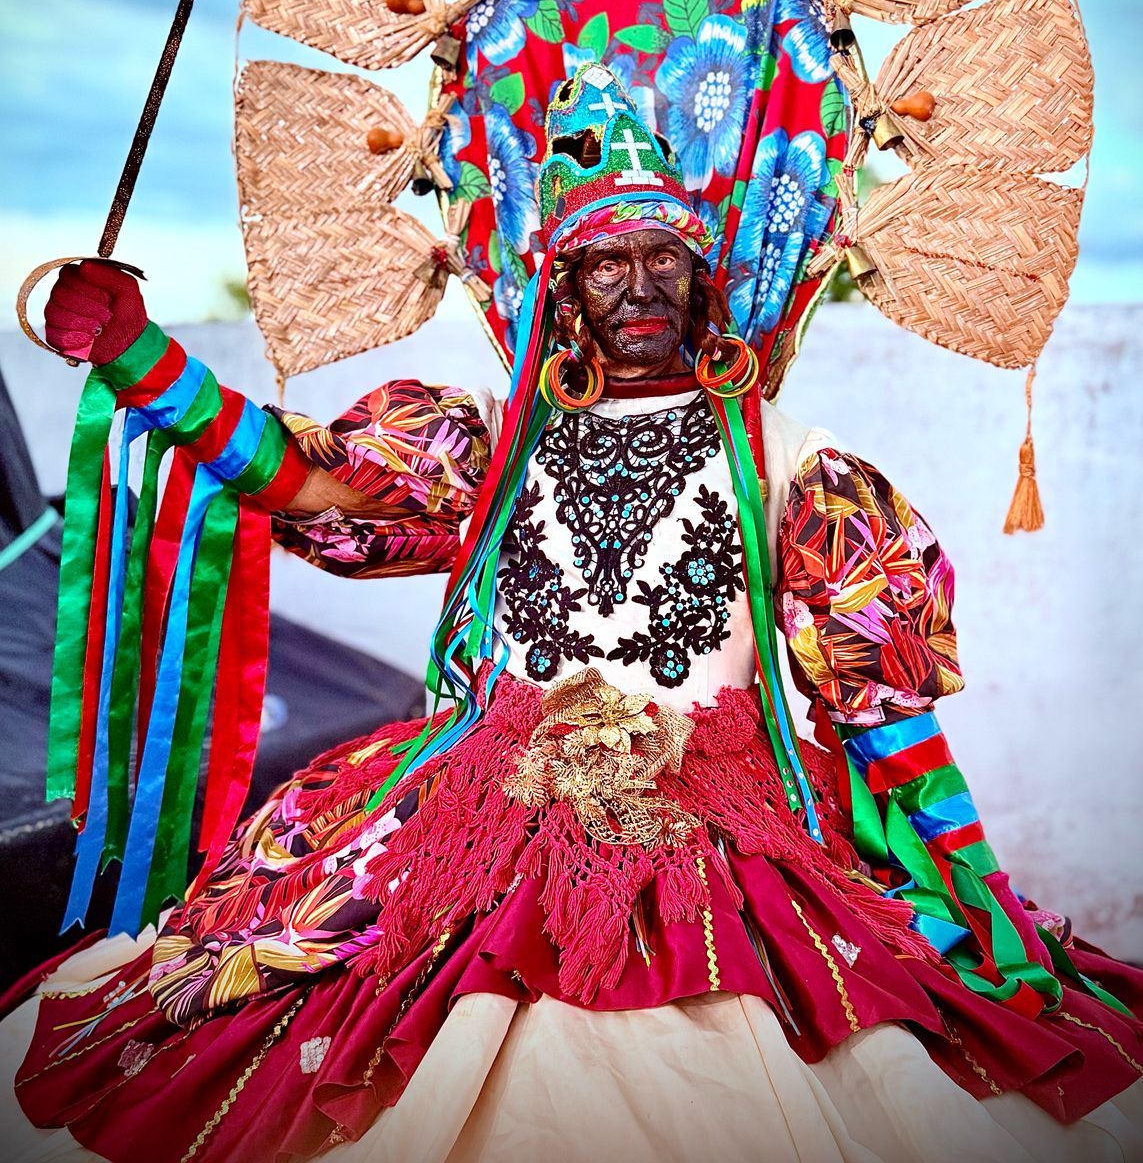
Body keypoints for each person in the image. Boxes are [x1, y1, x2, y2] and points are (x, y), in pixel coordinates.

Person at [3, 64, 1141, 1163]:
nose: (639, 287)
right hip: (484, 791)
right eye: (607, 264)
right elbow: (311, 480)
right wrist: (148, 362)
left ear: (701, 276)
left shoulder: (794, 461)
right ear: (565, 286)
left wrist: (974, 888)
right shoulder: (491, 438)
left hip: (721, 811)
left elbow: (882, 703)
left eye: (663, 257)